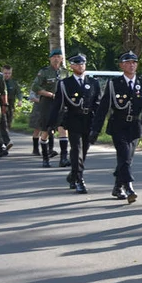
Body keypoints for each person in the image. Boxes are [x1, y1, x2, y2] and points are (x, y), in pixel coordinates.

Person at [90, 51, 142, 203]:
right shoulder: (114, 84)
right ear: (121, 65)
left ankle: (117, 186)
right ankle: (129, 187)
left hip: (135, 126)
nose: (131, 65)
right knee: (124, 157)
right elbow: (103, 108)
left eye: (134, 62)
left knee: (127, 159)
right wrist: (95, 129)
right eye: (127, 62)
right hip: (118, 125)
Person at [48, 53, 99, 193]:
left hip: (88, 120)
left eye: (82, 63)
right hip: (73, 120)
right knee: (76, 150)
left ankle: (73, 175)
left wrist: (97, 123)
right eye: (77, 64)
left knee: (84, 151)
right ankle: (79, 179)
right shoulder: (65, 83)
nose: (80, 66)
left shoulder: (93, 82)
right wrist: (51, 124)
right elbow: (57, 104)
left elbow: (97, 103)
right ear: (71, 66)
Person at [29, 49, 68, 166]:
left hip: (61, 104)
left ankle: (63, 158)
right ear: (50, 59)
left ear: (61, 59)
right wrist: (49, 94)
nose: (56, 59)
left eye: (58, 57)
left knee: (63, 129)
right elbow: (35, 86)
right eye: (54, 57)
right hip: (47, 104)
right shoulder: (44, 72)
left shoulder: (64, 72)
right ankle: (45, 159)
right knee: (46, 130)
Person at [0, 64, 22, 150]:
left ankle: (4, 138)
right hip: (0, 104)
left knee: (8, 123)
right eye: (5, 73)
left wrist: (20, 100)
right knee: (2, 123)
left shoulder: (13, 82)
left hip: (10, 104)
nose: (7, 75)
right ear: (2, 73)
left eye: (9, 73)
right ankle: (3, 142)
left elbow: (19, 92)